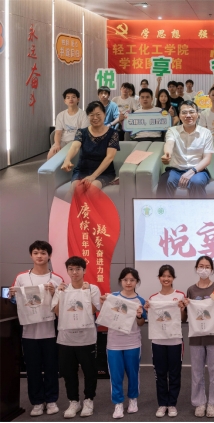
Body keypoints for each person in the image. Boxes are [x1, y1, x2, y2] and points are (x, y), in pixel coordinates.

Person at [9, 241, 64, 417]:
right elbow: (14, 301)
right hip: (29, 332)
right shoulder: (21, 277)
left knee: (51, 367)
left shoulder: (57, 279)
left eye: (43, 253)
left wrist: (54, 292)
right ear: (31, 255)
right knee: (32, 369)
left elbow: (63, 304)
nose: (39, 256)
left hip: (50, 331)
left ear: (49, 256)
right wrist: (12, 295)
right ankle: (37, 402)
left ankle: (52, 400)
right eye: (36, 253)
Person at [51, 256, 101, 418]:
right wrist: (60, 294)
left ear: (84, 270)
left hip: (87, 338)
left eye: (78, 269)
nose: (74, 272)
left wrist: (86, 293)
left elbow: (93, 310)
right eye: (71, 269)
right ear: (67, 271)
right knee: (68, 372)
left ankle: (88, 400)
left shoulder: (92, 288)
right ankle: (74, 401)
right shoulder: (62, 289)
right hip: (66, 339)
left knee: (89, 371)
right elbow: (57, 312)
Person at [182, 256, 214, 418]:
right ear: (196, 268)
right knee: (197, 372)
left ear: (212, 269)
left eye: (207, 266)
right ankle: (199, 402)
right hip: (196, 337)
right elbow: (188, 314)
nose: (204, 269)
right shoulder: (191, 289)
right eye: (201, 266)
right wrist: (185, 306)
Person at [101, 268, 146, 419]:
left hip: (132, 342)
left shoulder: (140, 301)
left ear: (137, 282)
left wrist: (139, 316)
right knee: (116, 375)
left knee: (133, 373)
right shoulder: (112, 297)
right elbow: (106, 316)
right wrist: (103, 303)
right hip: (114, 343)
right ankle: (118, 403)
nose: (128, 283)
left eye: (132, 280)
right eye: (125, 279)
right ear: (121, 281)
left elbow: (141, 323)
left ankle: (133, 399)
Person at [145, 265, 186, 418]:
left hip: (175, 341)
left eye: (169, 276)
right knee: (160, 374)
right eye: (163, 276)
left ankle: (172, 404)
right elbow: (151, 318)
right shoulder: (153, 298)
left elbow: (183, 319)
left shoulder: (180, 295)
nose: (166, 279)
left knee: (175, 374)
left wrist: (182, 309)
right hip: (158, 341)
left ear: (173, 278)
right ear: (159, 278)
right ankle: (162, 404)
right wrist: (147, 308)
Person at [61, 101, 120, 200]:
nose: (95, 118)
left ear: (104, 114)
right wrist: (67, 160)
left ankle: (89, 211)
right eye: (91, 115)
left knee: (92, 189)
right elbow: (75, 147)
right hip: (83, 170)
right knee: (74, 190)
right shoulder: (81, 132)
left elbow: (109, 157)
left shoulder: (113, 133)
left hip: (103, 172)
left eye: (98, 114)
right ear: (88, 116)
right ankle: (65, 209)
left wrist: (93, 176)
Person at [157, 101, 213, 198]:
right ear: (179, 115)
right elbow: (169, 143)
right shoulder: (172, 130)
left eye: (191, 112)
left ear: (197, 114)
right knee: (167, 181)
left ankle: (199, 208)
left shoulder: (206, 133)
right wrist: (167, 154)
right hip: (176, 170)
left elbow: (207, 159)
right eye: (184, 112)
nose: (188, 115)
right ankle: (165, 208)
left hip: (198, 170)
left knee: (196, 182)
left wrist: (192, 171)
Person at [48, 88, 89, 159]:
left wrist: (76, 144)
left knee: (70, 157)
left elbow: (83, 133)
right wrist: (57, 144)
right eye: (68, 97)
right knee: (51, 155)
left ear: (78, 99)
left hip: (76, 141)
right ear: (65, 101)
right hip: (63, 140)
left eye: (73, 97)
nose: (71, 99)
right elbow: (58, 133)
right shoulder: (61, 115)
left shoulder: (84, 115)